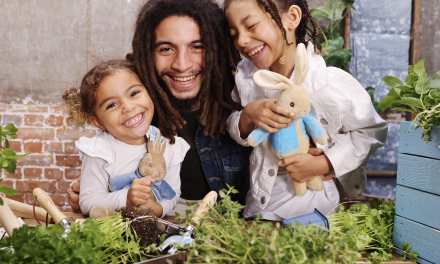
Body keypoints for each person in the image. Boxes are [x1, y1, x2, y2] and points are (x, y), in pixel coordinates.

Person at [67, 0, 252, 215]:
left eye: (197, 47)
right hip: (158, 218)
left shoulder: (243, 91)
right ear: (147, 53)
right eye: (166, 48)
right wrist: (93, 192)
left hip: (231, 222)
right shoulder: (136, 95)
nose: (182, 65)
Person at [224, 0, 388, 220]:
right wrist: (248, 116)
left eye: (251, 26)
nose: (242, 41)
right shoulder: (246, 78)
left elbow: (372, 131)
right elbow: (233, 126)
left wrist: (324, 162)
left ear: (291, 18)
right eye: (234, 34)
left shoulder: (329, 83)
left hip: (315, 211)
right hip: (260, 209)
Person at [62, 59, 190, 217]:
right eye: (111, 105)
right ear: (97, 121)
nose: (128, 107)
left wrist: (159, 209)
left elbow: (172, 194)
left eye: (134, 93)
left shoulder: (168, 145)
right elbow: (87, 201)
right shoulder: (100, 151)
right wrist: (126, 198)